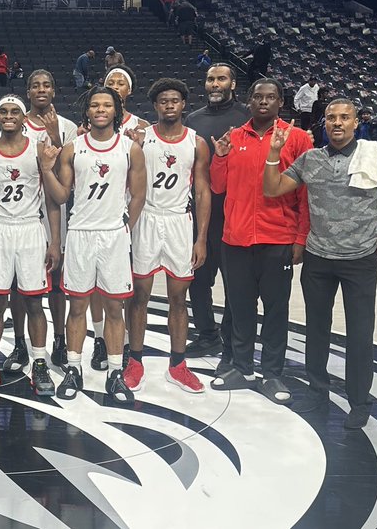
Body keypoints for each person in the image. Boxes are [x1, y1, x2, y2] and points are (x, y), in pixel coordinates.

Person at [264, 99, 377, 428]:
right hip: (318, 259)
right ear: (324, 123)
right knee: (317, 330)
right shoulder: (311, 159)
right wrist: (273, 153)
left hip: (359, 261)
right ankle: (317, 391)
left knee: (360, 334)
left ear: (355, 123)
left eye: (345, 118)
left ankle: (359, 402)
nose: (338, 123)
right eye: (332, 118)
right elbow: (273, 188)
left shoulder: (376, 157)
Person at [38, 86, 145, 400]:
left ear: (116, 111)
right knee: (78, 306)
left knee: (114, 307)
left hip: (113, 236)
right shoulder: (72, 149)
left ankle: (115, 373)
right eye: (95, 105)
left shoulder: (130, 149)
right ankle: (74, 369)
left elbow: (139, 195)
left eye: (107, 105)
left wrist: (127, 225)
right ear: (87, 112)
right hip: (81, 234)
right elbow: (60, 196)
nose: (100, 110)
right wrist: (46, 168)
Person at [208, 77, 310, 405]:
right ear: (248, 101)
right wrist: (220, 156)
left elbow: (305, 193)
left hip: (277, 238)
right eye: (257, 97)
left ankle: (272, 372)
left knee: (276, 310)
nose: (263, 102)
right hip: (236, 239)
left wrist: (300, 237)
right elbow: (218, 187)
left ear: (281, 102)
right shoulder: (234, 137)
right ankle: (241, 368)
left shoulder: (295, 139)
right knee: (240, 309)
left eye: (270, 97)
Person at [127, 79, 211, 397]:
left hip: (178, 221)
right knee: (139, 297)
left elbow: (202, 192)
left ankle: (178, 365)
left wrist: (200, 238)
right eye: (164, 101)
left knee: (178, 298)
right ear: (156, 106)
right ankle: (135, 362)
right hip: (146, 219)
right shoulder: (141, 138)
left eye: (175, 100)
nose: (170, 105)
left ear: (183, 104)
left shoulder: (196, 142)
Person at [0, 95, 58, 397]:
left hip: (30, 229)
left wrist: (55, 242)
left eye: (15, 112)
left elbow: (52, 200)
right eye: (3, 112)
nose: (9, 116)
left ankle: (38, 363)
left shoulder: (38, 150)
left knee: (35, 303)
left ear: (24, 118)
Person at [182, 63, 250, 359]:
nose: (215, 84)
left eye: (221, 78)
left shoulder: (248, 116)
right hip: (201, 213)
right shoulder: (193, 119)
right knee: (198, 279)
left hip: (237, 213)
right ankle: (207, 335)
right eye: (210, 79)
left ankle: (232, 339)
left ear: (233, 84)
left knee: (236, 283)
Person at [21, 69, 77, 368]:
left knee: (56, 280)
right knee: (21, 282)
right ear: (27, 91)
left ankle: (59, 338)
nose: (41, 89)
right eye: (35, 85)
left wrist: (55, 135)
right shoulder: (17, 123)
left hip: (55, 207)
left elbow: (64, 178)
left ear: (54, 91)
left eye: (46, 85)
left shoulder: (67, 127)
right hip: (23, 210)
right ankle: (20, 342)